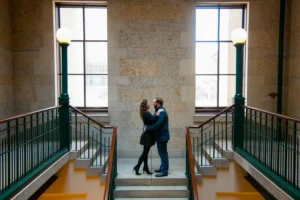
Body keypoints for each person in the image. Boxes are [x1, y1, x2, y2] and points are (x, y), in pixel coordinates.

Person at [132, 99, 164, 175]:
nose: (149, 104)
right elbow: (153, 120)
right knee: (145, 153)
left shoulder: (145, 113)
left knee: (145, 153)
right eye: (148, 103)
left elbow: (151, 119)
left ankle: (145, 167)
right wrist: (158, 112)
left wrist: (156, 114)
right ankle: (137, 166)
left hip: (147, 135)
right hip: (147, 136)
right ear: (145, 105)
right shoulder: (146, 113)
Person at [144, 97, 170, 177]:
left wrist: (147, 128)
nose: (152, 103)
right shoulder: (158, 111)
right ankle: (162, 168)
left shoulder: (162, 112)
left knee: (163, 154)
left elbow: (158, 124)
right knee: (161, 153)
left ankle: (164, 171)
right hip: (159, 137)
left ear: (158, 103)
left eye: (154, 102)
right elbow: (153, 120)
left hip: (162, 137)